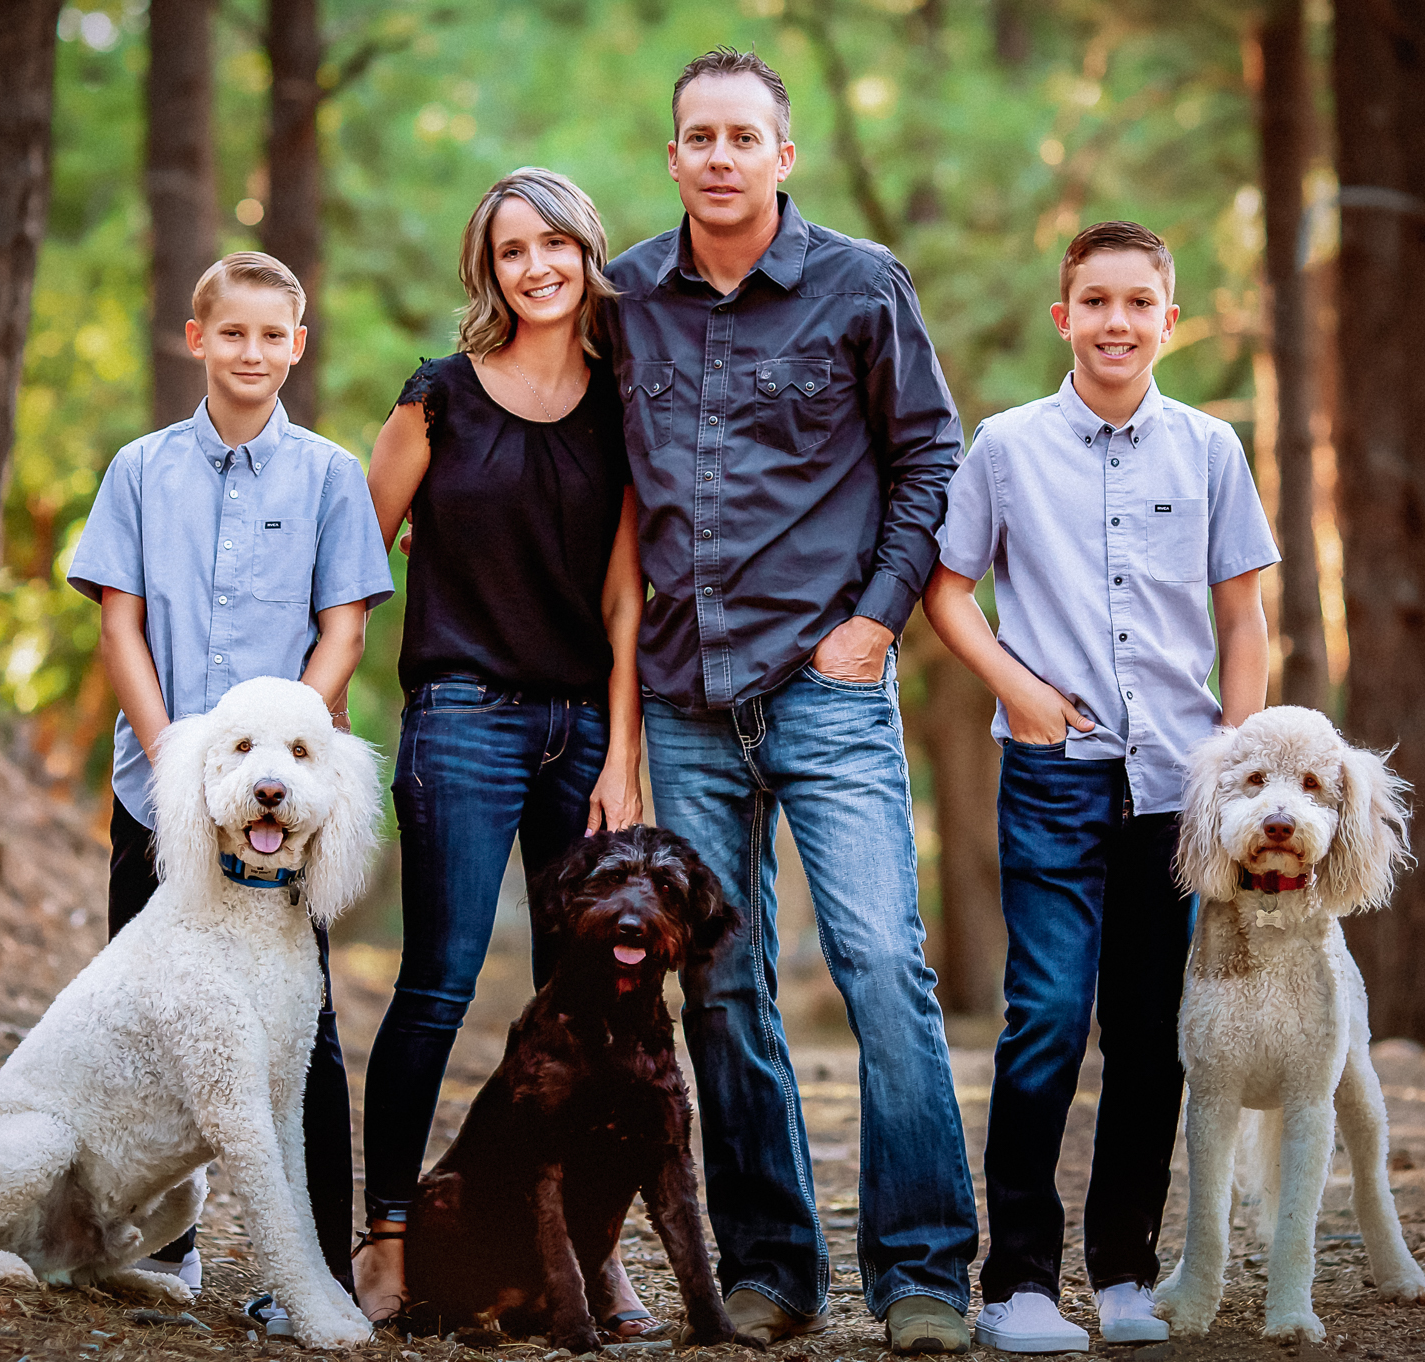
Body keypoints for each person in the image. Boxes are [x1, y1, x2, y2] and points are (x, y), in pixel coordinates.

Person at [604, 48, 975, 1356]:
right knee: (722, 984)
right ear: (672, 157)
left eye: (741, 136)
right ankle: (771, 1268)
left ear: (783, 153)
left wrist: (875, 620)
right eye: (695, 135)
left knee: (881, 963)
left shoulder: (862, 285)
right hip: (685, 693)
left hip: (826, 682)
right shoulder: (625, 297)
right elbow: (568, 448)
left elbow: (931, 457)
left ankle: (925, 1272)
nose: (718, 156)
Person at [921, 220, 1277, 1353]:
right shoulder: (1006, 446)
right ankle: (1014, 1284)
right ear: (1060, 316)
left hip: (1180, 791)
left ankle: (1123, 1273)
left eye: (1138, 302)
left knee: (1147, 1027)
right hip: (1050, 776)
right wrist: (1015, 691)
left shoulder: (1211, 449)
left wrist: (1235, 757)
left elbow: (1241, 616)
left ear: (1169, 320)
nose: (1115, 321)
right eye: (1095, 301)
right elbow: (944, 591)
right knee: (1042, 1023)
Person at [66, 251, 395, 1315]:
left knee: (301, 1032)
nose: (252, 352)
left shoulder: (330, 476)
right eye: (233, 333)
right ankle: (157, 1245)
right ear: (197, 338)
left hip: (280, 814)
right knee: (149, 1016)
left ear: (295, 345)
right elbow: (119, 621)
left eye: (273, 335)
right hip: (154, 787)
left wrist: (279, 749)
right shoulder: (139, 470)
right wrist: (171, 757)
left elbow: (343, 627)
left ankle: (313, 1271)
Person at [355, 168, 652, 1332]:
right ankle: (384, 1236)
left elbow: (626, 600)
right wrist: (322, 695)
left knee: (587, 1004)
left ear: (585, 253)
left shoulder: (624, 403)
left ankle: (583, 1249)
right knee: (435, 981)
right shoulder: (435, 400)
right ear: (489, 270)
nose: (536, 266)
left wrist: (622, 751)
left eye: (554, 245)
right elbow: (352, 563)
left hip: (583, 726)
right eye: (511, 250)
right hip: (461, 719)